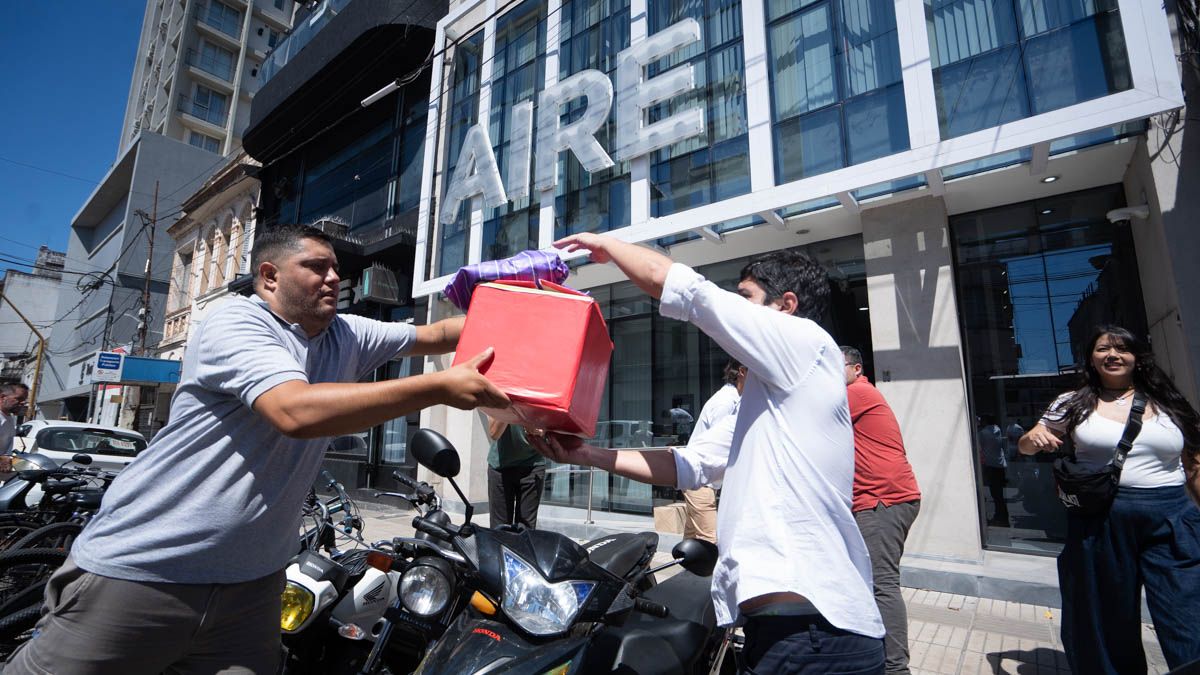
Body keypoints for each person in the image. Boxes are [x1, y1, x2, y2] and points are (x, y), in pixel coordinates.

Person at [5, 224, 510, 675]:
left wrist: (526, 302)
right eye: (316, 267)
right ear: (269, 277)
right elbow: (295, 412)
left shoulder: (348, 333)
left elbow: (440, 332)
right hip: (146, 573)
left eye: (335, 267)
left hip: (251, 592)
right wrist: (441, 388)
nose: (333, 277)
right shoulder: (236, 323)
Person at [532, 234, 885, 673]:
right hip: (782, 634)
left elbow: (684, 288)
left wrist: (606, 246)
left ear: (786, 306)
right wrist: (587, 455)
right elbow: (690, 465)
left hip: (815, 636)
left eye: (746, 298)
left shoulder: (806, 344)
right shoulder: (769, 400)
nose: (735, 308)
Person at [1018, 325, 1200, 674]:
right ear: (1091, 358)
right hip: (1101, 519)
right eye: (1103, 348)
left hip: (1172, 516)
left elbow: (1194, 465)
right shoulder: (1071, 403)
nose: (1113, 355)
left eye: (1122, 349)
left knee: (1187, 612)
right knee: (1106, 616)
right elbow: (1026, 446)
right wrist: (1035, 436)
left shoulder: (1169, 402)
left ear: (1137, 358)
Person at [841, 346, 921, 675]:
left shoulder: (857, 392)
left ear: (857, 369)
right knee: (869, 583)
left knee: (882, 585)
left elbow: (806, 412)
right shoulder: (856, 394)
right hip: (879, 498)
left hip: (882, 499)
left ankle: (895, 669)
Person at [681, 360, 745, 544]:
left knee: (692, 539)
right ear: (741, 372)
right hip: (701, 481)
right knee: (712, 541)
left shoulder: (731, 399)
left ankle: (685, 569)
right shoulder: (726, 402)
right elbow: (721, 446)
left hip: (702, 480)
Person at [486, 415, 547, 529]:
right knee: (499, 529)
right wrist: (508, 404)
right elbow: (494, 433)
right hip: (500, 466)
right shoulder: (496, 398)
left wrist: (544, 431)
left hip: (532, 464)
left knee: (525, 530)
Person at [977, 415, 1009, 526]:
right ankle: (1002, 516)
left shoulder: (984, 432)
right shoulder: (998, 429)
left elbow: (977, 446)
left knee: (996, 493)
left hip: (991, 465)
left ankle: (1000, 517)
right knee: (999, 493)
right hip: (1000, 464)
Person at [0, 382, 29, 454]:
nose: (22, 403)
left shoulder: (9, 418)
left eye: (24, 400)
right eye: (19, 398)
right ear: (3, 397)